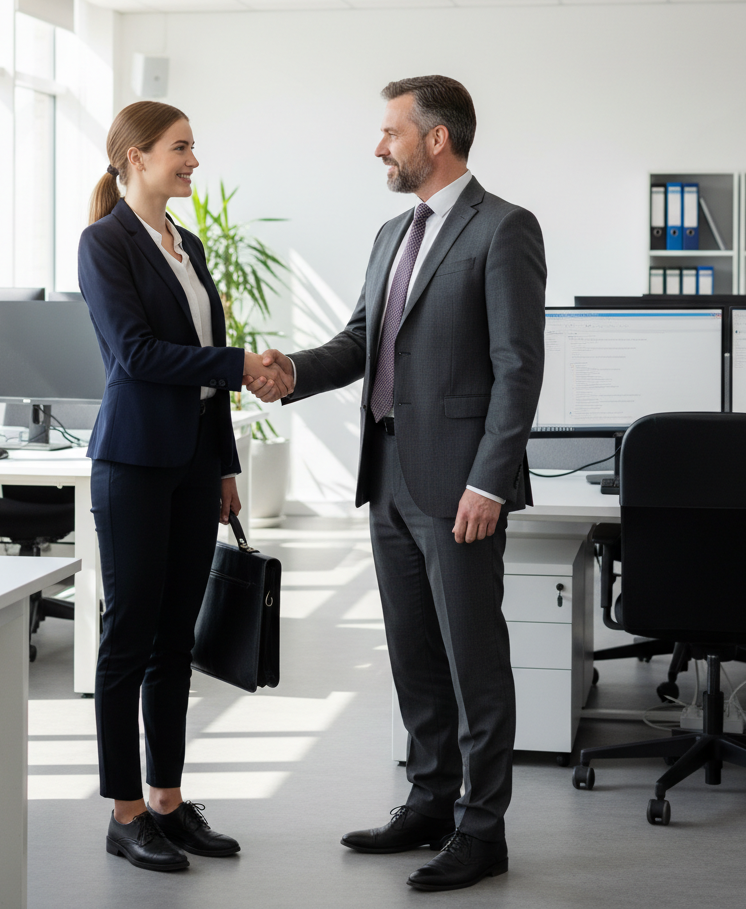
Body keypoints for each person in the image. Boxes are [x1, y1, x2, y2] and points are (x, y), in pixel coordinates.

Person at [248, 76, 546, 892]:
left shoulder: (503, 229)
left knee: (472, 661)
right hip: (387, 477)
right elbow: (360, 342)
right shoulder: (391, 234)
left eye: (391, 132)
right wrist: (290, 374)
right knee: (414, 655)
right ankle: (429, 801)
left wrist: (491, 479)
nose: (379, 146)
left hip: (458, 486)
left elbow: (519, 370)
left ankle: (484, 831)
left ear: (436, 138)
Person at [78, 101, 292, 873]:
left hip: (196, 465)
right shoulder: (105, 245)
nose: (193, 161)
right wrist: (238, 366)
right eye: (181, 148)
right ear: (136, 157)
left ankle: (167, 802)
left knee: (176, 641)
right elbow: (137, 355)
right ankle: (124, 811)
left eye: (193, 148)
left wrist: (227, 465)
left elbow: (207, 354)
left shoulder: (187, 244)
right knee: (128, 640)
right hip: (134, 464)